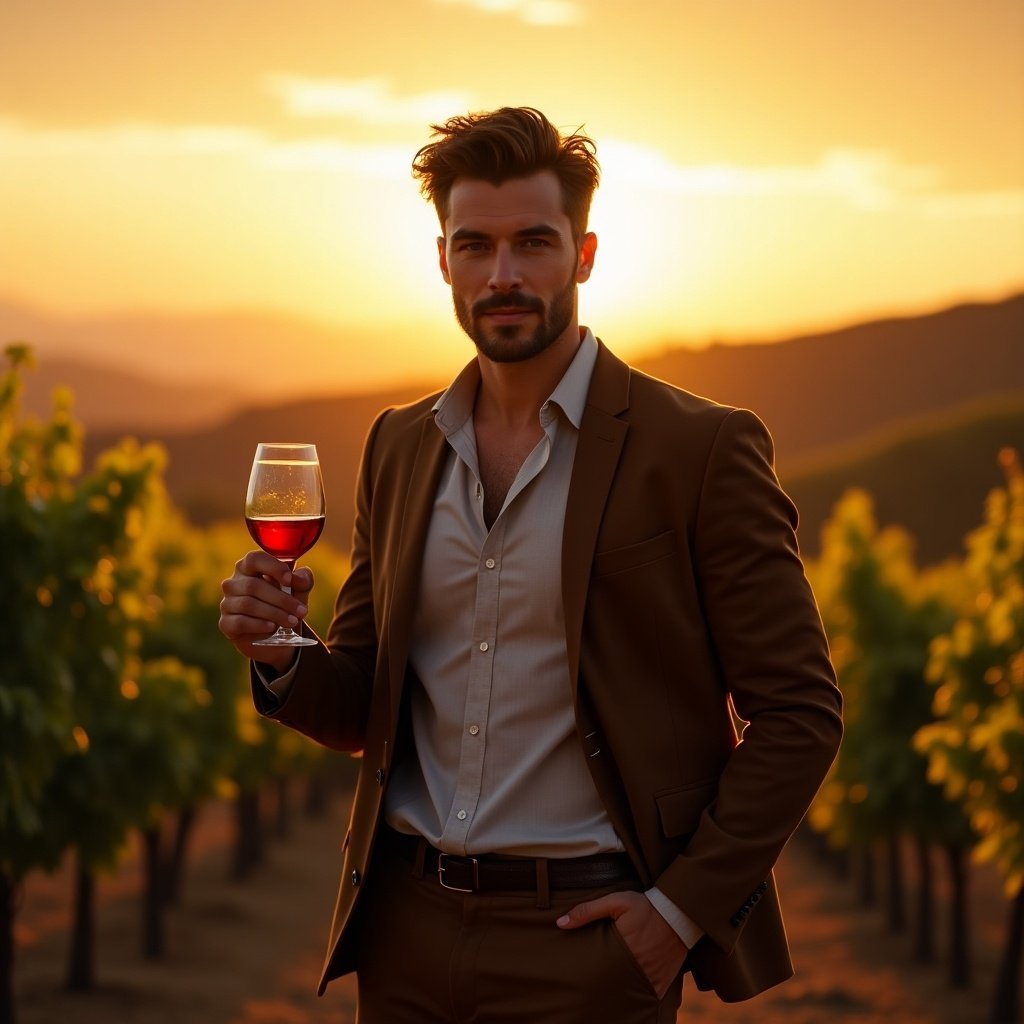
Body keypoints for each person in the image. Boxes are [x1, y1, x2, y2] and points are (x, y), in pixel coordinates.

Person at [218, 106, 842, 1023]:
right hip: (403, 932)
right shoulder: (397, 445)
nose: (502, 276)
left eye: (533, 244)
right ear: (442, 261)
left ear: (584, 254)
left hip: (588, 950)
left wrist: (675, 915)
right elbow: (364, 704)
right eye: (474, 246)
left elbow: (799, 714)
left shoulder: (700, 448)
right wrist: (281, 655)